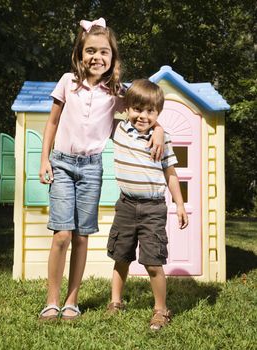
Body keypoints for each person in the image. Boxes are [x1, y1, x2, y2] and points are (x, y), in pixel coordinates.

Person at [38, 19, 165, 321]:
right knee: (62, 235)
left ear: (113, 57)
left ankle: (72, 301)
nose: (97, 57)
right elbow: (53, 122)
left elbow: (140, 111)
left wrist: (158, 128)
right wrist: (44, 159)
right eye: (90, 51)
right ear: (80, 54)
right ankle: (52, 299)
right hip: (63, 163)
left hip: (92, 168)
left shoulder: (116, 92)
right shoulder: (67, 82)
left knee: (82, 236)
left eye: (104, 52)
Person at [106, 79, 188, 330]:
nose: (143, 116)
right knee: (121, 257)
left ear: (158, 113)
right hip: (126, 205)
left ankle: (161, 310)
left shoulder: (162, 139)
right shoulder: (117, 129)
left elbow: (171, 173)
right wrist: (127, 95)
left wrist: (180, 204)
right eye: (137, 109)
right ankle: (115, 302)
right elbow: (110, 93)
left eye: (150, 111)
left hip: (153, 208)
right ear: (127, 108)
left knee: (153, 262)